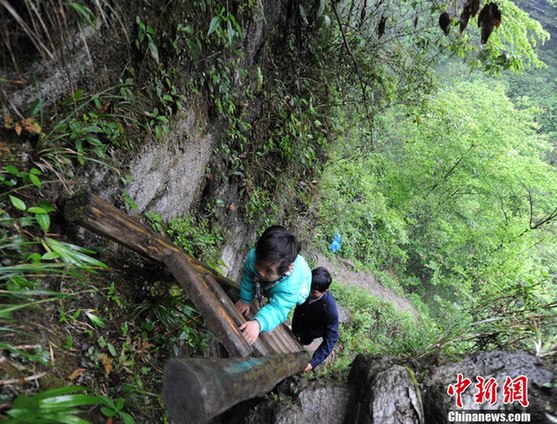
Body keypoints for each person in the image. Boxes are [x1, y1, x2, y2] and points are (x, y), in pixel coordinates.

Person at [235, 225, 311, 345]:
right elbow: (248, 277)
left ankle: (271, 321)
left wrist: (260, 323)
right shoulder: (255, 257)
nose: (260, 271)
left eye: (268, 271)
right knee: (266, 284)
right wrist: (245, 299)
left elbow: (278, 308)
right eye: (258, 263)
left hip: (301, 284)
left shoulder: (291, 286)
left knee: (288, 300)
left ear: (286, 269)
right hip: (275, 282)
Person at [292, 267, 339, 372]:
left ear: (324, 291)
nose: (309, 293)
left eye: (314, 292)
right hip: (299, 319)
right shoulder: (306, 287)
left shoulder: (329, 311)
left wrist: (313, 362)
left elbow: (331, 339)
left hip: (311, 330)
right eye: (309, 288)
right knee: (293, 333)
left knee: (303, 341)